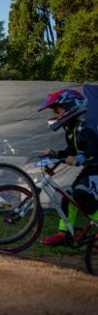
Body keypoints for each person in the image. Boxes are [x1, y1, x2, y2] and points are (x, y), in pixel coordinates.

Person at [38, 89, 98, 246]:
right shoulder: (70, 131)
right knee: (69, 196)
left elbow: (96, 148)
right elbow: (70, 152)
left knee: (81, 194)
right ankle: (63, 234)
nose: (56, 116)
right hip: (90, 169)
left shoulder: (84, 128)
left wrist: (80, 158)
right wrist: (55, 154)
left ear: (71, 107)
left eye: (58, 111)